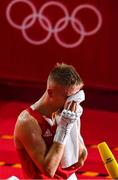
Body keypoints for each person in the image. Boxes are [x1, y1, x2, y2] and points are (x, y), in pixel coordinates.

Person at [14, 63, 88, 179]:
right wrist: (63, 129)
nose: (72, 102)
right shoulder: (28, 122)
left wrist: (73, 124)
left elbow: (80, 160)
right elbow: (48, 171)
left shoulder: (66, 113)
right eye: (68, 97)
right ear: (51, 92)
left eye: (76, 96)